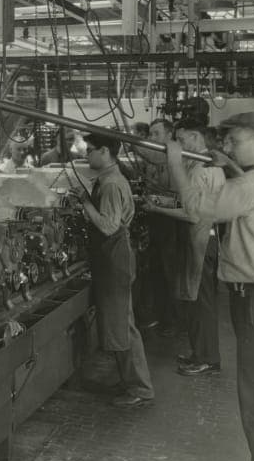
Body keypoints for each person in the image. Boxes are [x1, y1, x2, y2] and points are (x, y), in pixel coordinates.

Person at [165, 112, 254, 461]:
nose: (227, 147)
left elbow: (199, 209)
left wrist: (174, 162)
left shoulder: (252, 184)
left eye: (233, 141)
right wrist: (228, 166)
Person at [72, 132, 155, 408]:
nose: (87, 155)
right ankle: (130, 380)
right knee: (119, 324)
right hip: (112, 257)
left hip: (114, 259)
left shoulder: (110, 184)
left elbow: (108, 226)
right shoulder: (109, 179)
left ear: (105, 151)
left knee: (123, 325)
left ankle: (140, 388)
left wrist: (84, 202)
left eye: (91, 150)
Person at [143, 119, 226, 376]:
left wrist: (158, 208)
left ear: (195, 138)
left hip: (202, 242)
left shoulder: (202, 170)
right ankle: (201, 353)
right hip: (204, 240)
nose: (177, 145)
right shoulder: (207, 165)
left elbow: (193, 215)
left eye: (181, 140)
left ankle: (207, 358)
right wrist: (166, 201)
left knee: (201, 303)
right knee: (198, 301)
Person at [139, 118, 180, 335]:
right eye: (150, 134)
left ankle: (172, 322)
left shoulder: (174, 159)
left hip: (171, 224)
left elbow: (181, 201)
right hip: (156, 222)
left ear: (169, 135)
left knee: (169, 273)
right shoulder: (155, 158)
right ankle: (161, 317)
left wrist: (153, 202)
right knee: (156, 272)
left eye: (156, 134)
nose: (151, 138)